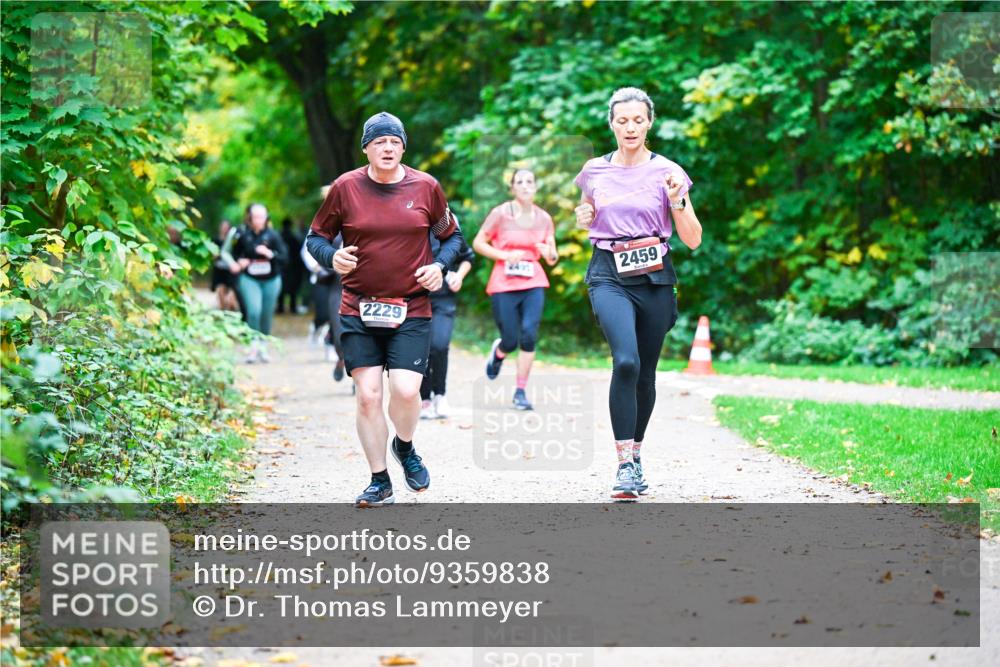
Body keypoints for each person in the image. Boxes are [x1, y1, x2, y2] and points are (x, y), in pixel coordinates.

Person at [306, 111, 465, 508]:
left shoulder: (426, 187)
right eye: (379, 142)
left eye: (395, 141)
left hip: (411, 307)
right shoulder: (345, 188)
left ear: (403, 147)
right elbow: (316, 237)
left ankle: (406, 447)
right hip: (358, 308)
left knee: (408, 391)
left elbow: (453, 238)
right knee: (367, 396)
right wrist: (332, 257)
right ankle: (379, 480)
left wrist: (439, 266)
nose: (388, 148)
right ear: (367, 149)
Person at [574, 87, 702, 500]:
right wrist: (583, 216)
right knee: (625, 361)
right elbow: (587, 215)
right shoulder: (594, 170)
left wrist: (677, 200)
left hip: (655, 275)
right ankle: (624, 464)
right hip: (608, 271)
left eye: (638, 120)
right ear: (611, 123)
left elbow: (694, 239)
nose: (630, 127)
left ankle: (638, 453)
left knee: (645, 371)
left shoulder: (669, 171)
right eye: (622, 120)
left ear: (649, 123)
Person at [472, 168, 558, 410]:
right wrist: (504, 255)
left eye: (529, 181)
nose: (525, 185)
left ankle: (520, 391)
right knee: (510, 340)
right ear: (512, 188)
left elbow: (552, 257)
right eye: (519, 181)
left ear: (536, 186)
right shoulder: (500, 213)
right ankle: (499, 353)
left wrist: (548, 253)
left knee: (529, 335)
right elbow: (478, 243)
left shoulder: (544, 218)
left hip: (534, 282)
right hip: (504, 282)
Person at [420, 221, 474, 419]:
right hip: (415, 299)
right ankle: (425, 399)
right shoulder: (405, 223)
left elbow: (468, 257)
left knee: (440, 345)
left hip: (443, 299)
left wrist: (458, 277)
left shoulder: (445, 225)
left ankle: (440, 395)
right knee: (421, 348)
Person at [223, 203, 289, 363]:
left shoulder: (273, 235)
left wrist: (270, 254)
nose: (259, 220)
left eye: (262, 216)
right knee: (254, 311)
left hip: (271, 280)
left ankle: (263, 345)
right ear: (249, 218)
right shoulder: (240, 234)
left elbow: (285, 258)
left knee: (266, 313)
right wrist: (235, 263)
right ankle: (253, 345)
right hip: (249, 279)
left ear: (267, 218)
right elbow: (226, 252)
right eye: (256, 216)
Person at [301, 222, 347, 381]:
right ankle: (341, 358)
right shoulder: (329, 219)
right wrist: (319, 268)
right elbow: (310, 246)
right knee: (340, 332)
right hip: (337, 284)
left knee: (363, 335)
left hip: (367, 285)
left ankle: (358, 376)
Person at [210, 219, 240, 312]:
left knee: (232, 297)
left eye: (226, 227)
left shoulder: (234, 240)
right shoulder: (215, 240)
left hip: (231, 270)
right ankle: (223, 311)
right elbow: (211, 256)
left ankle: (231, 311)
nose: (224, 229)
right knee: (221, 292)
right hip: (219, 269)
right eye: (223, 227)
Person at [277, 218, 306, 315]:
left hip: (282, 267)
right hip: (293, 267)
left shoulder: (279, 237)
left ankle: (280, 307)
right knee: (293, 289)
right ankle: (292, 307)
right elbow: (299, 254)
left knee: (281, 288)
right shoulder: (294, 238)